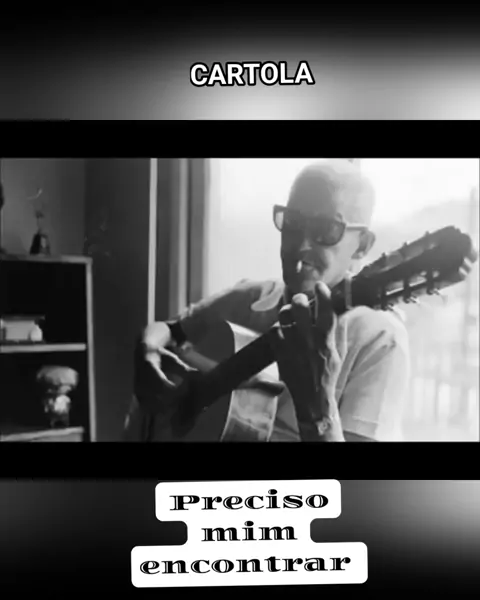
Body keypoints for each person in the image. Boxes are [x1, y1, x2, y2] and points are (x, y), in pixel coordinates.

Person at [130, 159, 410, 442]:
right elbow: (171, 329)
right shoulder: (249, 299)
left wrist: (318, 406)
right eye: (293, 222)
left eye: (326, 230)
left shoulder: (380, 339)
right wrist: (147, 351)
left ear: (362, 245)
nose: (301, 244)